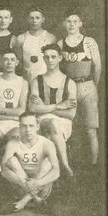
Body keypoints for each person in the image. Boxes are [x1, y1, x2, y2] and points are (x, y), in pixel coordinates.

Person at [58, 9, 101, 166]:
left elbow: (97, 67)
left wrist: (92, 86)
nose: (71, 24)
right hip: (70, 88)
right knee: (70, 126)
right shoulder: (60, 43)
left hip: (88, 86)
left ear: (80, 23)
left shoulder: (89, 41)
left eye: (75, 21)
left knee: (90, 129)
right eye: (68, 21)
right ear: (64, 23)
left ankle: (94, 165)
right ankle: (72, 163)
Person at [28, 44, 77, 176]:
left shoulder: (69, 82)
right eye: (47, 57)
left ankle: (46, 174)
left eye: (53, 57)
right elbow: (32, 108)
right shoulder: (36, 81)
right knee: (52, 124)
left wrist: (44, 107)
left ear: (60, 58)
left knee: (50, 135)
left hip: (64, 123)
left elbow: (71, 114)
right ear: (43, 59)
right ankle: (65, 166)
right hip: (42, 121)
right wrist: (57, 106)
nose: (50, 60)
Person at [1, 112, 60, 212]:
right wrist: (24, 184)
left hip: (41, 188)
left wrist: (37, 183)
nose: (27, 130)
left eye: (31, 126)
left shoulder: (47, 144)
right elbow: (3, 170)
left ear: (37, 126)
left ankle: (23, 202)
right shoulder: (13, 143)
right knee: (11, 160)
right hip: (21, 186)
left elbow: (56, 171)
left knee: (48, 163)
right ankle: (36, 201)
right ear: (19, 127)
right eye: (24, 126)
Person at [0, 51, 28, 146]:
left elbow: (21, 111)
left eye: (12, 60)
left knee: (14, 141)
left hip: (15, 124)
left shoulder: (23, 82)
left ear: (17, 62)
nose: (9, 63)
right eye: (6, 59)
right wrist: (14, 114)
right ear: (1, 62)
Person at [14, 6, 56, 83]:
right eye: (31, 18)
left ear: (43, 19)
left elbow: (54, 62)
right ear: (27, 19)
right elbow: (18, 63)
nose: (34, 21)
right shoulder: (21, 38)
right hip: (27, 80)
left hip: (46, 80)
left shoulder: (51, 38)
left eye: (37, 18)